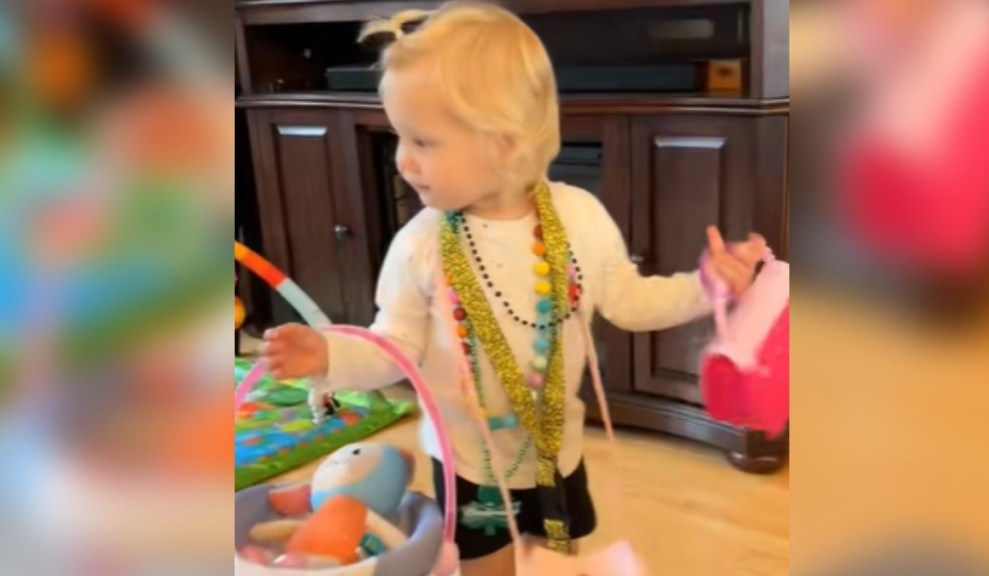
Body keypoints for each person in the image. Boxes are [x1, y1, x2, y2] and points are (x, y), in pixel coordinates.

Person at [261, 3, 767, 575]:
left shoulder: (579, 217)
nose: (403, 160)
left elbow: (630, 301)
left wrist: (705, 287)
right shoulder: (420, 243)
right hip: (469, 462)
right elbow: (392, 343)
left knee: (555, 559)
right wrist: (328, 354)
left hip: (556, 451)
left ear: (504, 143)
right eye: (398, 136)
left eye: (423, 141)